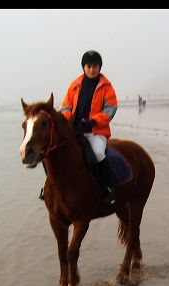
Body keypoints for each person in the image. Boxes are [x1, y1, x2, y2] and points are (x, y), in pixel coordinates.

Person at [59, 50, 118, 205]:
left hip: (96, 131)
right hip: (74, 130)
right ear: (83, 67)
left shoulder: (106, 87)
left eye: (95, 66)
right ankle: (52, 188)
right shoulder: (74, 85)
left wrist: (93, 121)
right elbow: (66, 107)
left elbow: (110, 109)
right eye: (89, 66)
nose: (92, 70)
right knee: (57, 151)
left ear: (99, 67)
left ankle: (108, 187)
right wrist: (64, 122)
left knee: (98, 152)